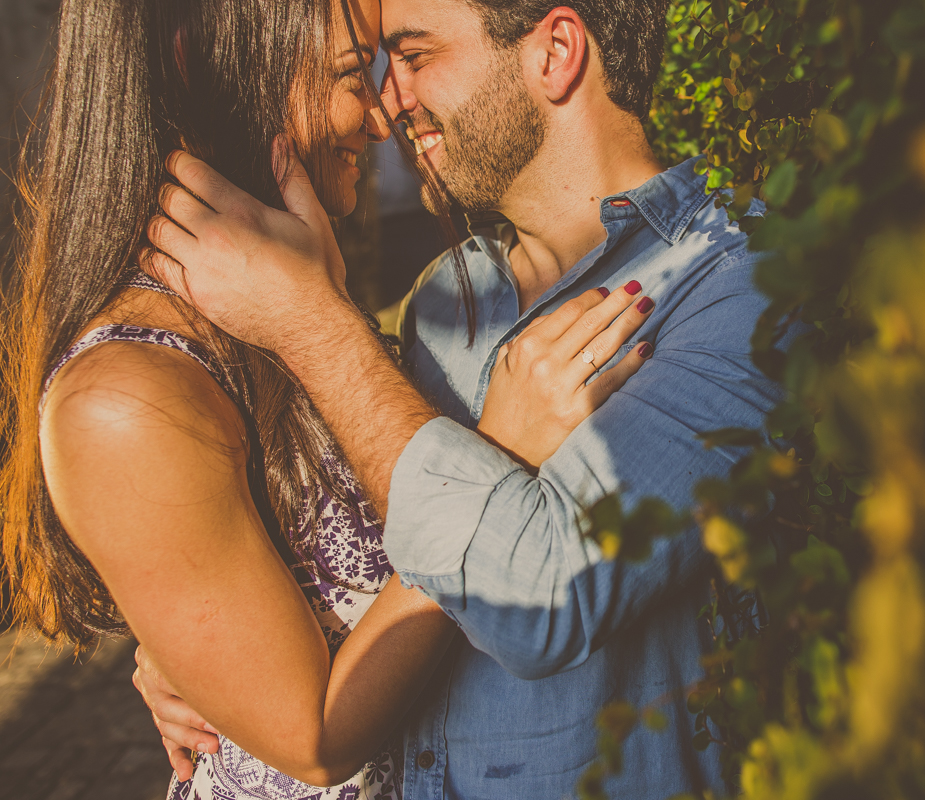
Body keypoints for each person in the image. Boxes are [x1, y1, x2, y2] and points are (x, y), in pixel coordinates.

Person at [138, 0, 799, 797]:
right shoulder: (452, 296)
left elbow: (540, 601)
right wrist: (211, 650)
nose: (388, 101)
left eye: (414, 57)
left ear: (556, 51)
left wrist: (313, 322)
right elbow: (388, 562)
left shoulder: (741, 286)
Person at [0, 1, 650, 799]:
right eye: (354, 74)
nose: (383, 118)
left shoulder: (274, 302)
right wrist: (498, 459)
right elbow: (312, 736)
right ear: (204, 65)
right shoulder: (124, 398)